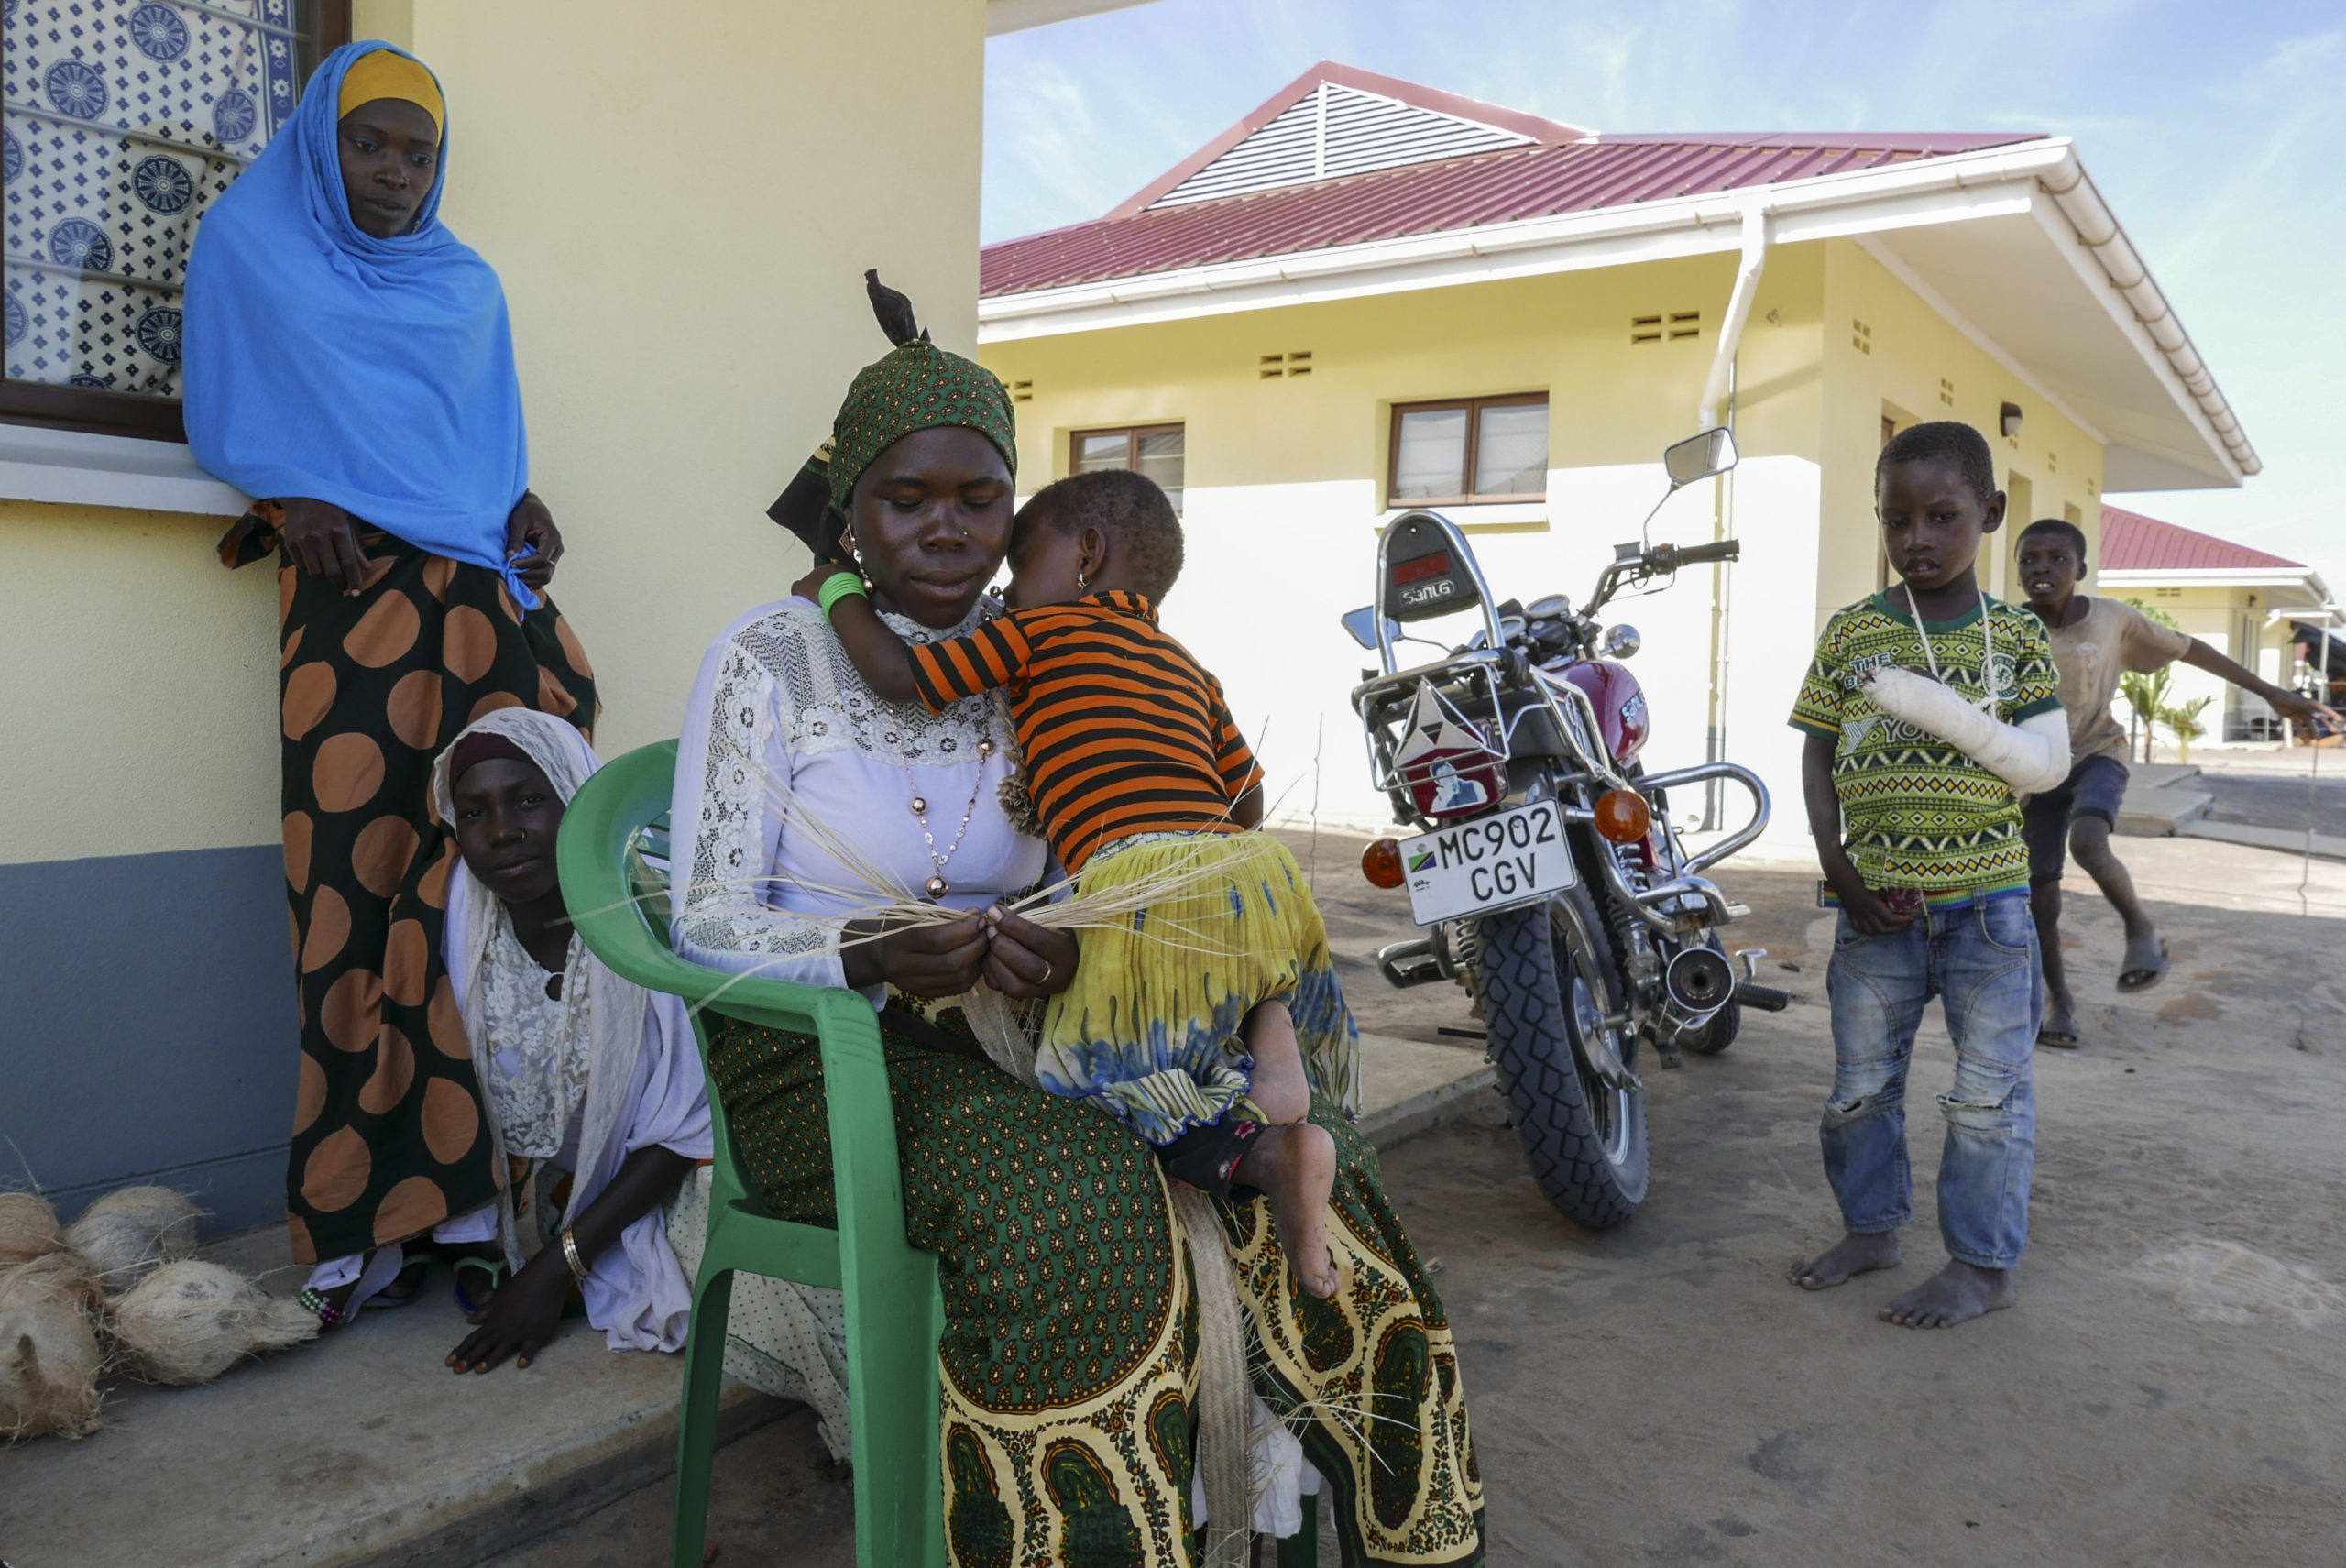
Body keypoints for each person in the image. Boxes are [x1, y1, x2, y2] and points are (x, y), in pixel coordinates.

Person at [670, 282, 1482, 1563]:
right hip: (824, 1053)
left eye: (978, 500)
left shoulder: (1035, 648)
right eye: (906, 498)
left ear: (1018, 515)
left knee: (1321, 1166)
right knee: (1075, 1203)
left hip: (1029, 1025)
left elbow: (1098, 861)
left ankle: (1367, 1520)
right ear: (851, 515)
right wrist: (867, 954)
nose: (946, 527)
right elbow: (702, 917)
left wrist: (1053, 941)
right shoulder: (773, 656)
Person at [183, 42, 597, 1322]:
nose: (394, 172)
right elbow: (233, 402)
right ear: (325, 142)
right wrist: (289, 491)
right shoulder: (254, 251)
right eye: (370, 144)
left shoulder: (464, 283)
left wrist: (522, 501)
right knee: (348, 891)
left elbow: (483, 450)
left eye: (417, 152)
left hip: (480, 613)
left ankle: (480, 1206)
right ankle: (358, 1215)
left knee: (486, 887)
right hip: (352, 609)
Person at [798, 466, 1355, 1299]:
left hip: (1131, 879)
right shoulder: (1187, 663)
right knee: (1239, 957)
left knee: (1101, 1087)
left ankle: (1268, 1153)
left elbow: (900, 677)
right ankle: (1274, 1058)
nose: (1010, 588)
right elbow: (1247, 797)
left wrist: (836, 587)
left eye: (1022, 565)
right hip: (1248, 869)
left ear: (1086, 556)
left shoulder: (1039, 634)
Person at [1787, 422, 2070, 1330]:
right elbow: (1817, 755)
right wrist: (1837, 869)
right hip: (1872, 910)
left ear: (1987, 514)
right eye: (1896, 518)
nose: (1917, 537)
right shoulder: (1854, 632)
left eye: (1942, 516)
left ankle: (1981, 1268)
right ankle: (1870, 1228)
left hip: (1988, 911)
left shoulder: (2016, 637)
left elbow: (2040, 759)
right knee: (1858, 1088)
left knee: (1986, 1097)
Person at [425, 710, 711, 1373]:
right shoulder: (461, 929)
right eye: (474, 812)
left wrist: (554, 1271)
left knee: (751, 1297)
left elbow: (687, 1124)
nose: (504, 830)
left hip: (692, 1171)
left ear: (580, 797)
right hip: (569, 1198)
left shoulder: (645, 913)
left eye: (531, 799)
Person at [2012, 519, 2341, 1044]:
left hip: (2098, 751)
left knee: (2090, 841)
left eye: (2056, 558)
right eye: (2029, 559)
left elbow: (2190, 648)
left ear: (2081, 569)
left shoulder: (2112, 620)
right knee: (2040, 898)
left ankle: (2140, 926)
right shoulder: (2010, 627)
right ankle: (2060, 1002)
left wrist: (2272, 693)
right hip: (2034, 768)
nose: (2042, 568)